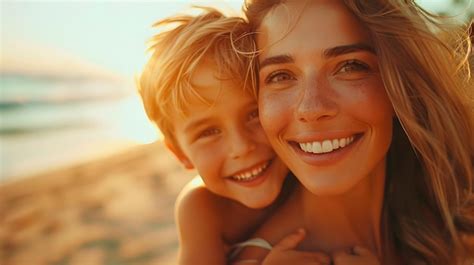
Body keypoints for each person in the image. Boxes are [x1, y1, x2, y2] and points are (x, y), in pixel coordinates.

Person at [233, 0, 474, 264]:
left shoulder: (449, 227)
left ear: (400, 86)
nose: (311, 108)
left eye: (349, 67)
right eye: (280, 76)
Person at [138, 7, 331, 265]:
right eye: (208, 132)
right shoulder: (202, 209)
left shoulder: (316, 165)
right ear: (180, 154)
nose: (241, 147)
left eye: (254, 115)